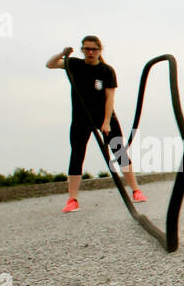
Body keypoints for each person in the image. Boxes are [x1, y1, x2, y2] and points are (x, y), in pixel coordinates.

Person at [46, 36, 147, 213]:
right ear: (82, 50)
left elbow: (110, 98)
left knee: (119, 151)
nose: (90, 52)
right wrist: (63, 53)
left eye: (94, 49)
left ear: (100, 50)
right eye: (86, 49)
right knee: (77, 155)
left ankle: (136, 191)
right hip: (80, 118)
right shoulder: (74, 64)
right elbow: (50, 64)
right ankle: (72, 200)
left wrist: (106, 122)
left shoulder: (107, 71)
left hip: (104, 118)